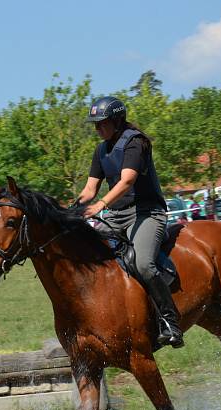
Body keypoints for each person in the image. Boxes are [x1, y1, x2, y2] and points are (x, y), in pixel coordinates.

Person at [76, 95, 183, 348]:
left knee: (144, 264)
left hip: (146, 213)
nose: (97, 128)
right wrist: (70, 210)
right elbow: (90, 189)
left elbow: (127, 181)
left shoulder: (136, 142)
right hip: (116, 216)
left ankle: (170, 322)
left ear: (116, 120)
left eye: (101, 123)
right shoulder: (101, 149)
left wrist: (101, 205)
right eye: (95, 124)